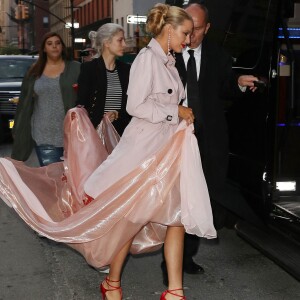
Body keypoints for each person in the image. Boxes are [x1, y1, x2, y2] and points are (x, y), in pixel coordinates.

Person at [0, 3, 216, 300]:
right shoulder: (146, 59)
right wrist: (174, 110)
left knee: (175, 218)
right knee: (130, 221)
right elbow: (134, 106)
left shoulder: (168, 61)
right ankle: (112, 283)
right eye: (185, 33)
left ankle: (175, 292)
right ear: (169, 30)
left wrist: (179, 114)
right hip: (144, 152)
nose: (189, 40)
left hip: (167, 151)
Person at [161, 2, 259, 284]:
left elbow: (227, 87)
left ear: (208, 28)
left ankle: (187, 256)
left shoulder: (219, 56)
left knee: (200, 196)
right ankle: (171, 261)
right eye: (186, 28)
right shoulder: (168, 54)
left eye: (197, 29)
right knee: (176, 198)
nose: (189, 36)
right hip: (175, 137)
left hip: (209, 138)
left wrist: (239, 81)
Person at [11, 32, 81, 166]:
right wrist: (18, 128)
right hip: (43, 134)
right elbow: (23, 103)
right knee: (52, 179)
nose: (54, 47)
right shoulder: (33, 72)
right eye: (49, 44)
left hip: (73, 133)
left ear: (62, 47)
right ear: (44, 48)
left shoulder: (76, 68)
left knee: (73, 180)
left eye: (58, 43)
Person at [77, 23, 131, 136]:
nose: (124, 45)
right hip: (95, 134)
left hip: (122, 134)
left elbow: (131, 104)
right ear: (106, 43)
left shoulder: (126, 70)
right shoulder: (89, 69)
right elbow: (81, 104)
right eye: (120, 40)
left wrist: (117, 113)